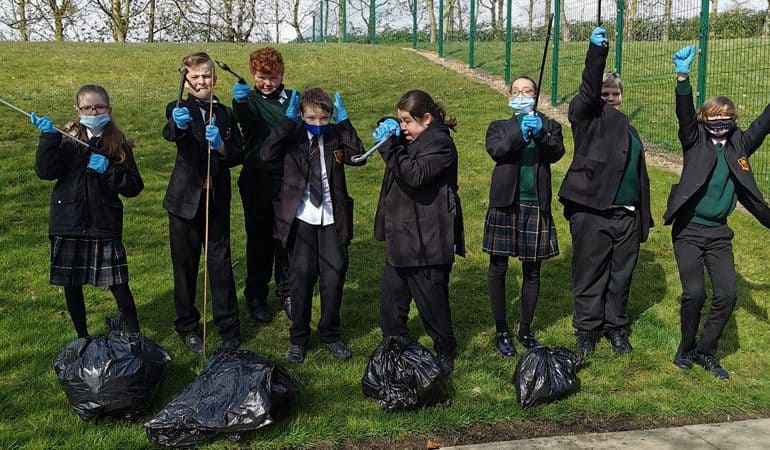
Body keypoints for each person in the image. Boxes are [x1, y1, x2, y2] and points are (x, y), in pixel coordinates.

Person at [665, 45, 770, 379]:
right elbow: (684, 114)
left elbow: (764, 124)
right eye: (713, 116)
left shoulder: (740, 144)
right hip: (689, 230)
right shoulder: (693, 140)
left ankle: (706, 352)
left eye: (726, 116)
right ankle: (685, 348)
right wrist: (683, 78)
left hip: (719, 233)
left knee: (727, 294)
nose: (719, 121)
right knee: (694, 293)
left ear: (734, 119)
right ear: (703, 118)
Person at [558, 27, 653, 356]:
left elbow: (639, 174)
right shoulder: (586, 118)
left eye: (615, 94)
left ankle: (616, 327)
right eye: (605, 94)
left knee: (620, 275)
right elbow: (587, 90)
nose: (610, 98)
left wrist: (643, 216)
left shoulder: (630, 128)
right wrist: (596, 54)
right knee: (589, 273)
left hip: (627, 216)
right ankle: (586, 330)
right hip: (592, 212)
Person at [31, 84, 143, 339]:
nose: (93, 111)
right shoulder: (66, 139)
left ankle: (136, 337)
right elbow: (46, 172)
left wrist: (110, 170)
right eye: (87, 107)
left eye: (99, 107)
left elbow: (134, 187)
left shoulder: (119, 143)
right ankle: (82, 337)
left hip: (104, 222)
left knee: (118, 284)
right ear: (78, 110)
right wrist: (48, 138)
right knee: (71, 285)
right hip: (67, 222)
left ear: (109, 109)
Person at [261, 88, 364, 363]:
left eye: (324, 118)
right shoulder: (292, 136)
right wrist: (286, 123)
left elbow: (359, 155)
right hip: (302, 217)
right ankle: (299, 337)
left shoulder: (335, 135)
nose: (318, 124)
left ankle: (330, 332)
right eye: (311, 118)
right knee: (301, 277)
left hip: (332, 216)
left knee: (334, 276)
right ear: (301, 115)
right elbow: (266, 153)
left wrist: (344, 123)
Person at [372, 90, 465, 375]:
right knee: (391, 300)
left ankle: (445, 348)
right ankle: (395, 344)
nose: (402, 128)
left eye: (405, 122)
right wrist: (387, 124)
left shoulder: (440, 144)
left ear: (426, 119)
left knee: (431, 300)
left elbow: (415, 175)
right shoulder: (417, 135)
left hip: (427, 238)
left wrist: (389, 146)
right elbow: (403, 147)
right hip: (402, 233)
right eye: (399, 122)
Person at [162, 52, 244, 353]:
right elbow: (170, 134)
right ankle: (187, 326)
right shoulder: (177, 107)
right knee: (184, 266)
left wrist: (221, 146)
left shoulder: (224, 114)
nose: (201, 81)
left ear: (214, 78)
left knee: (219, 266)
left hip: (216, 202)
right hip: (183, 202)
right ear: (185, 81)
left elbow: (238, 153)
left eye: (206, 76)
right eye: (194, 77)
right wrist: (179, 125)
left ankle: (229, 328)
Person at [483, 76, 565, 356]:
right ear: (509, 95)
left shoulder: (550, 125)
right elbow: (498, 151)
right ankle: (502, 329)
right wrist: (521, 134)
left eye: (527, 91)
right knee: (498, 267)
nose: (521, 95)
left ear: (536, 95)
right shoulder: (499, 127)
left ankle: (525, 329)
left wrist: (541, 134)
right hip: (505, 204)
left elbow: (557, 153)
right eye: (516, 91)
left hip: (535, 204)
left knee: (532, 270)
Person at [231, 47, 294, 323]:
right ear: (252, 75)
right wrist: (239, 103)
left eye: (274, 77)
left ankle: (287, 291)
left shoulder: (293, 98)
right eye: (261, 77)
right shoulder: (249, 99)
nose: (267, 83)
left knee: (285, 239)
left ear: (282, 75)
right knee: (259, 241)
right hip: (256, 178)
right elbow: (244, 120)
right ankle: (256, 296)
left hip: (288, 179)